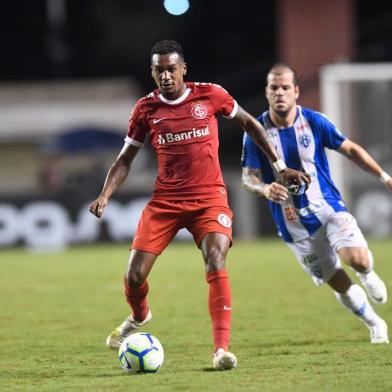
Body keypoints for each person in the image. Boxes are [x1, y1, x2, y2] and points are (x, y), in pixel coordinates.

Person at [89, 42, 309, 370]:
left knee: (216, 258)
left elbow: (251, 123)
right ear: (152, 72)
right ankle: (139, 315)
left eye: (171, 69)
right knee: (134, 276)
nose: (165, 75)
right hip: (165, 202)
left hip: (209, 199)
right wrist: (105, 195)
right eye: (158, 69)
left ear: (183, 69)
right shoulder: (145, 110)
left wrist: (279, 166)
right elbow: (126, 159)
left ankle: (221, 350)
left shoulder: (210, 95)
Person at [242, 63, 391, 344]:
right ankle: (374, 323)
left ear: (296, 91)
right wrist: (264, 189)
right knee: (337, 280)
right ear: (267, 92)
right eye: (274, 88)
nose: (280, 93)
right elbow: (247, 178)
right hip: (293, 224)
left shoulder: (314, 121)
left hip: (327, 208)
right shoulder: (256, 131)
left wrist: (383, 176)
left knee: (355, 259)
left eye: (285, 87)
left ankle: (368, 273)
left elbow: (350, 149)